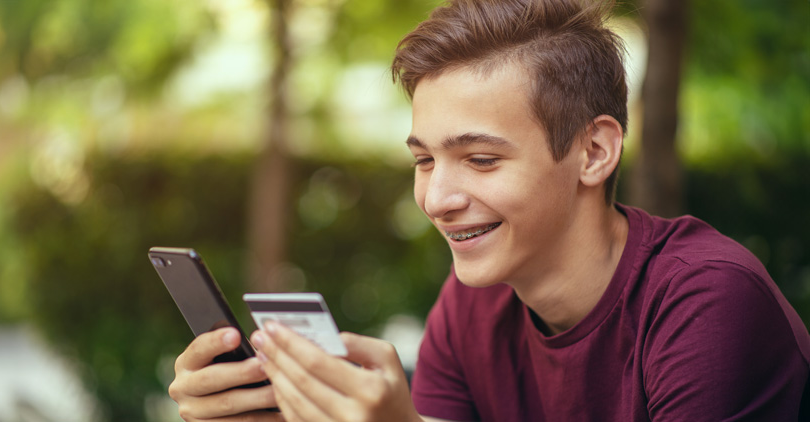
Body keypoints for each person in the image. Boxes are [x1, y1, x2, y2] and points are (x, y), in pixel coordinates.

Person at [166, 0, 810, 420]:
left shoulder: (708, 302)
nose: (436, 200)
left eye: (479, 160)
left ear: (593, 151)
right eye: (424, 160)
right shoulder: (475, 303)